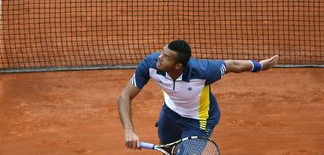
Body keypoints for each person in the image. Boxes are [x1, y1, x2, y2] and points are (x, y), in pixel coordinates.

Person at [118, 40, 278, 151]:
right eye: (162, 52)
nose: (159, 57)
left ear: (178, 65)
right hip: (170, 114)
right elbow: (125, 96)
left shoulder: (202, 71)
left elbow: (232, 65)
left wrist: (260, 66)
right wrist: (128, 130)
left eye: (166, 56)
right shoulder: (150, 65)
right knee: (167, 148)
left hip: (199, 120)